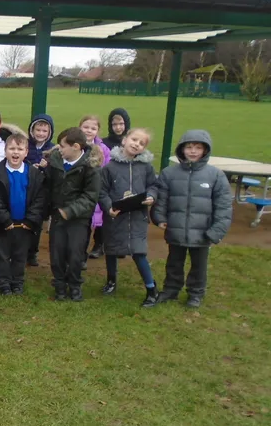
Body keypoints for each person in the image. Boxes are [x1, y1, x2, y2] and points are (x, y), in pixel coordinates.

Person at [151, 130, 232, 308]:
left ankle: (195, 293)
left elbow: (224, 207)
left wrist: (216, 231)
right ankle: (171, 290)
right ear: (182, 149)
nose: (193, 151)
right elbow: (162, 199)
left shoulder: (216, 175)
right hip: (176, 227)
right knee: (174, 262)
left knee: (199, 266)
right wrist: (159, 217)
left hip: (203, 232)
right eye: (189, 147)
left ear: (205, 150)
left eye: (198, 147)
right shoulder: (169, 173)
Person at [98, 128, 160, 307]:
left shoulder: (146, 167)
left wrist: (151, 196)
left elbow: (154, 186)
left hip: (138, 217)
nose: (136, 144)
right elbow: (102, 191)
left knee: (138, 252)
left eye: (141, 143)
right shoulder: (110, 167)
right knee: (111, 249)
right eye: (134, 139)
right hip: (115, 216)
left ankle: (151, 289)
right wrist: (108, 207)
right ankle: (111, 281)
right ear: (124, 140)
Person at [45, 127, 101, 302]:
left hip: (79, 219)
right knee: (57, 253)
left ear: (76, 146)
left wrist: (69, 211)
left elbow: (90, 196)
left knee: (75, 254)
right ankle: (60, 285)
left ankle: (75, 285)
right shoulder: (54, 162)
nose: (59, 149)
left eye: (62, 146)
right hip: (57, 216)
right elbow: (47, 187)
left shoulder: (91, 167)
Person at [0, 133, 46, 295]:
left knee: (20, 255)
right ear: (5, 150)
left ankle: (17, 282)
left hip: (24, 224)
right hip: (3, 224)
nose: (15, 152)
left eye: (20, 149)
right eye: (12, 148)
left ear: (26, 152)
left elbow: (39, 199)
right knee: (2, 255)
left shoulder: (34, 174)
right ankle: (3, 283)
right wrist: (4, 219)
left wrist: (31, 220)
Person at [79, 115, 111, 260]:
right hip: (81, 190)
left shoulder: (103, 149)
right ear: (80, 128)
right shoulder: (76, 146)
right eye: (86, 127)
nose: (89, 130)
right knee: (83, 224)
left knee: (100, 220)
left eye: (93, 128)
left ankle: (98, 246)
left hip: (98, 189)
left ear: (98, 131)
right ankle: (81, 254)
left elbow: (107, 168)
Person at [25, 113, 54, 267]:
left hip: (42, 192)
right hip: (25, 190)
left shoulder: (52, 149)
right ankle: (21, 251)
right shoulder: (25, 146)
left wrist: (44, 168)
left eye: (44, 131)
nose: (41, 133)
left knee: (36, 222)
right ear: (32, 130)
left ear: (49, 133)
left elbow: (54, 173)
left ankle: (32, 253)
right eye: (38, 130)